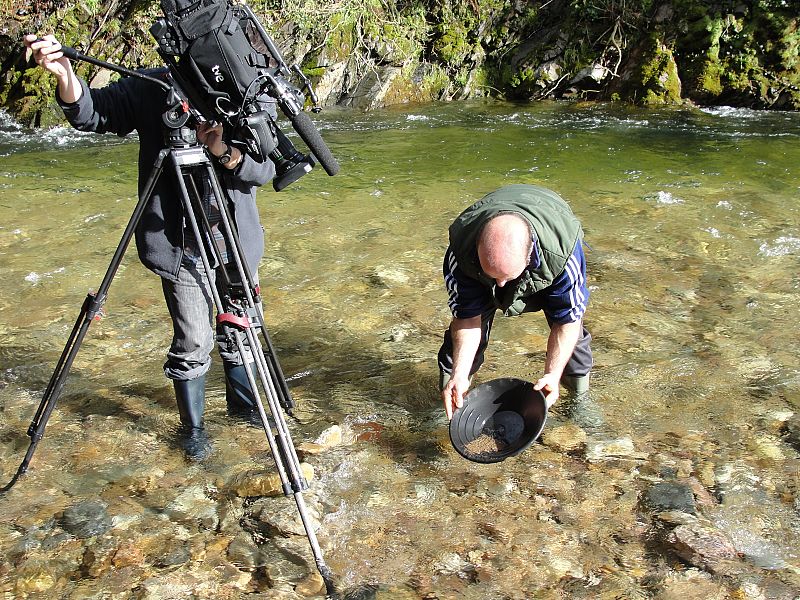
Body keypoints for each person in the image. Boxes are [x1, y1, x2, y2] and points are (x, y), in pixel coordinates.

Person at [23, 34, 276, 456]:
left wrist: (224, 151)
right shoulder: (154, 87)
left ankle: (246, 416)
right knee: (194, 341)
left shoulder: (245, 90)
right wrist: (65, 72)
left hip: (235, 241)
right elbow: (91, 113)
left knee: (243, 333)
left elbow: (264, 169)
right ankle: (193, 433)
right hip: (179, 246)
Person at [439, 183, 593, 420]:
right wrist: (459, 373)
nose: (499, 286)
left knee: (572, 336)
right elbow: (467, 319)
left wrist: (552, 374)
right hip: (478, 264)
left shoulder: (564, 255)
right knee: (458, 345)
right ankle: (452, 396)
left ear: (529, 254)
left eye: (506, 277)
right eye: (493, 275)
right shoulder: (461, 255)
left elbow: (567, 322)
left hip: (549, 242)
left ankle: (579, 400)